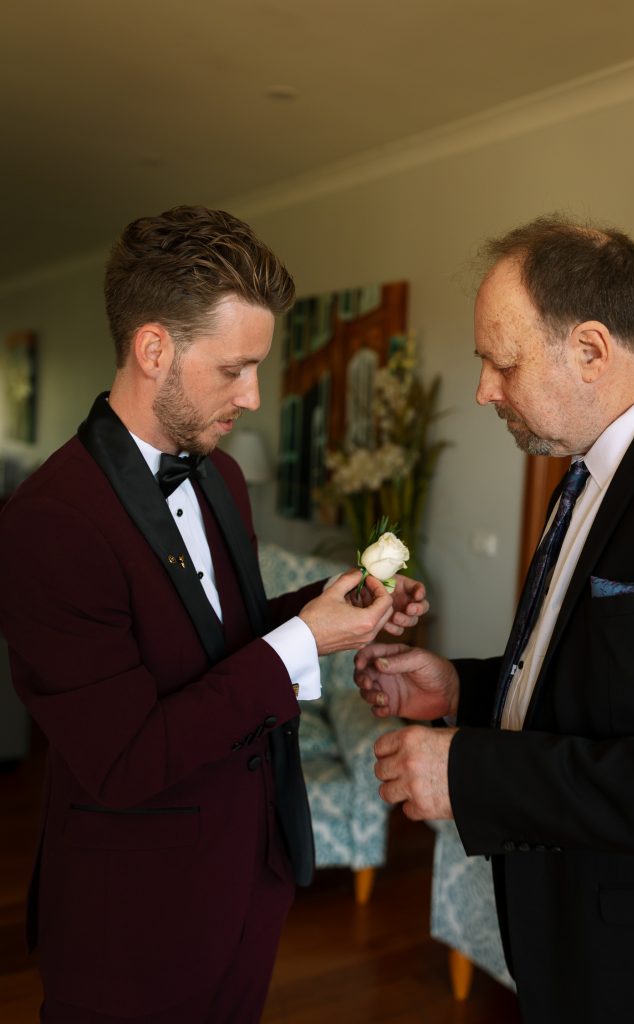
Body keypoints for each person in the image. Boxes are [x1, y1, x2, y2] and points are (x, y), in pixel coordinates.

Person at [0, 205, 428, 1024]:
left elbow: (222, 638)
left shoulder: (219, 475)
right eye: (236, 368)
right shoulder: (50, 521)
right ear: (153, 349)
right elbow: (124, 759)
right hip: (133, 915)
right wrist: (304, 639)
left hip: (252, 870)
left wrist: (337, 605)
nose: (254, 396)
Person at [355, 215, 634, 1023]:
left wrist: (470, 773)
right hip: (565, 936)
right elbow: (594, 676)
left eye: (502, 363)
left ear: (591, 350)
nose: (483, 390)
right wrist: (459, 690)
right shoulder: (584, 467)